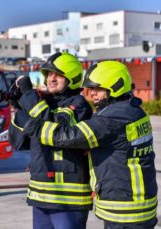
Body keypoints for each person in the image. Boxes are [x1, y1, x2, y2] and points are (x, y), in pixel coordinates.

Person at [23, 61, 158, 229]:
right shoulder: (133, 110)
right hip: (138, 203)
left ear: (115, 87)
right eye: (91, 88)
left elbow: (68, 136)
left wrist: (34, 125)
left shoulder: (114, 117)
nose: (92, 93)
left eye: (98, 89)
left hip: (126, 209)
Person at [9, 52, 93, 229]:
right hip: (40, 195)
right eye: (49, 74)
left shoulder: (78, 104)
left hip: (68, 199)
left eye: (58, 75)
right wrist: (20, 107)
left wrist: (27, 95)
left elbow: (54, 128)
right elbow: (19, 142)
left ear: (72, 78)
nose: (51, 79)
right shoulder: (42, 103)